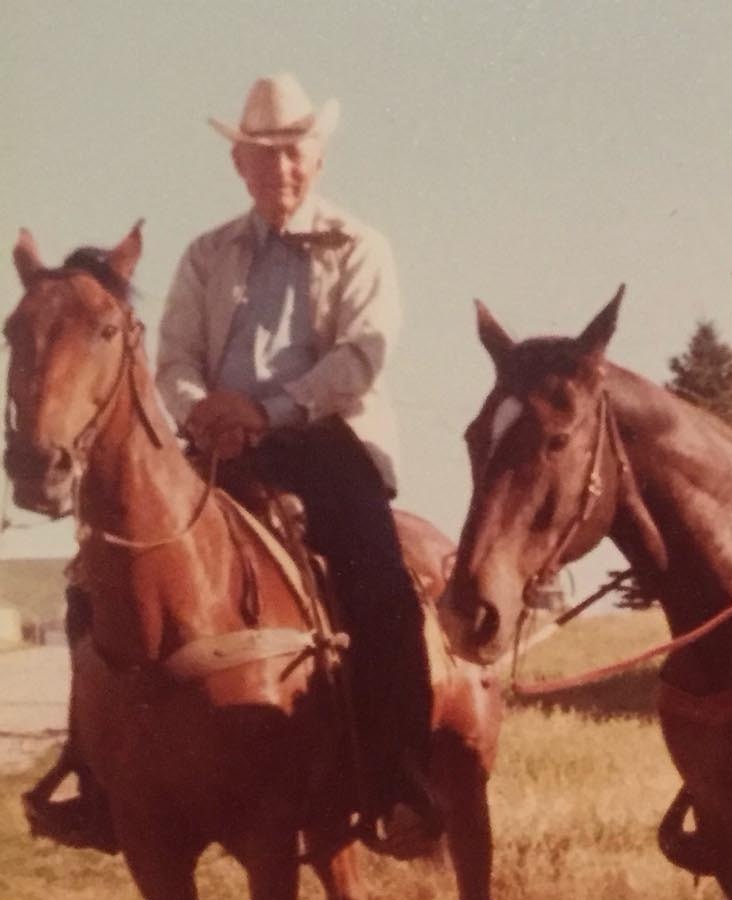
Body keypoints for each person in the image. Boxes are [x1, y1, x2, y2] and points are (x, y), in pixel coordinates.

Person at [28, 73, 435, 852]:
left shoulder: (361, 246)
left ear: (316, 159)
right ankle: (97, 773)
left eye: (294, 154)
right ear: (239, 166)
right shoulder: (207, 253)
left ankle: (396, 774)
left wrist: (267, 410)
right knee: (94, 576)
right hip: (219, 444)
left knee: (379, 585)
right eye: (263, 156)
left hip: (328, 442)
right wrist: (202, 412)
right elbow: (174, 354)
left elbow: (360, 357)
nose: (281, 169)